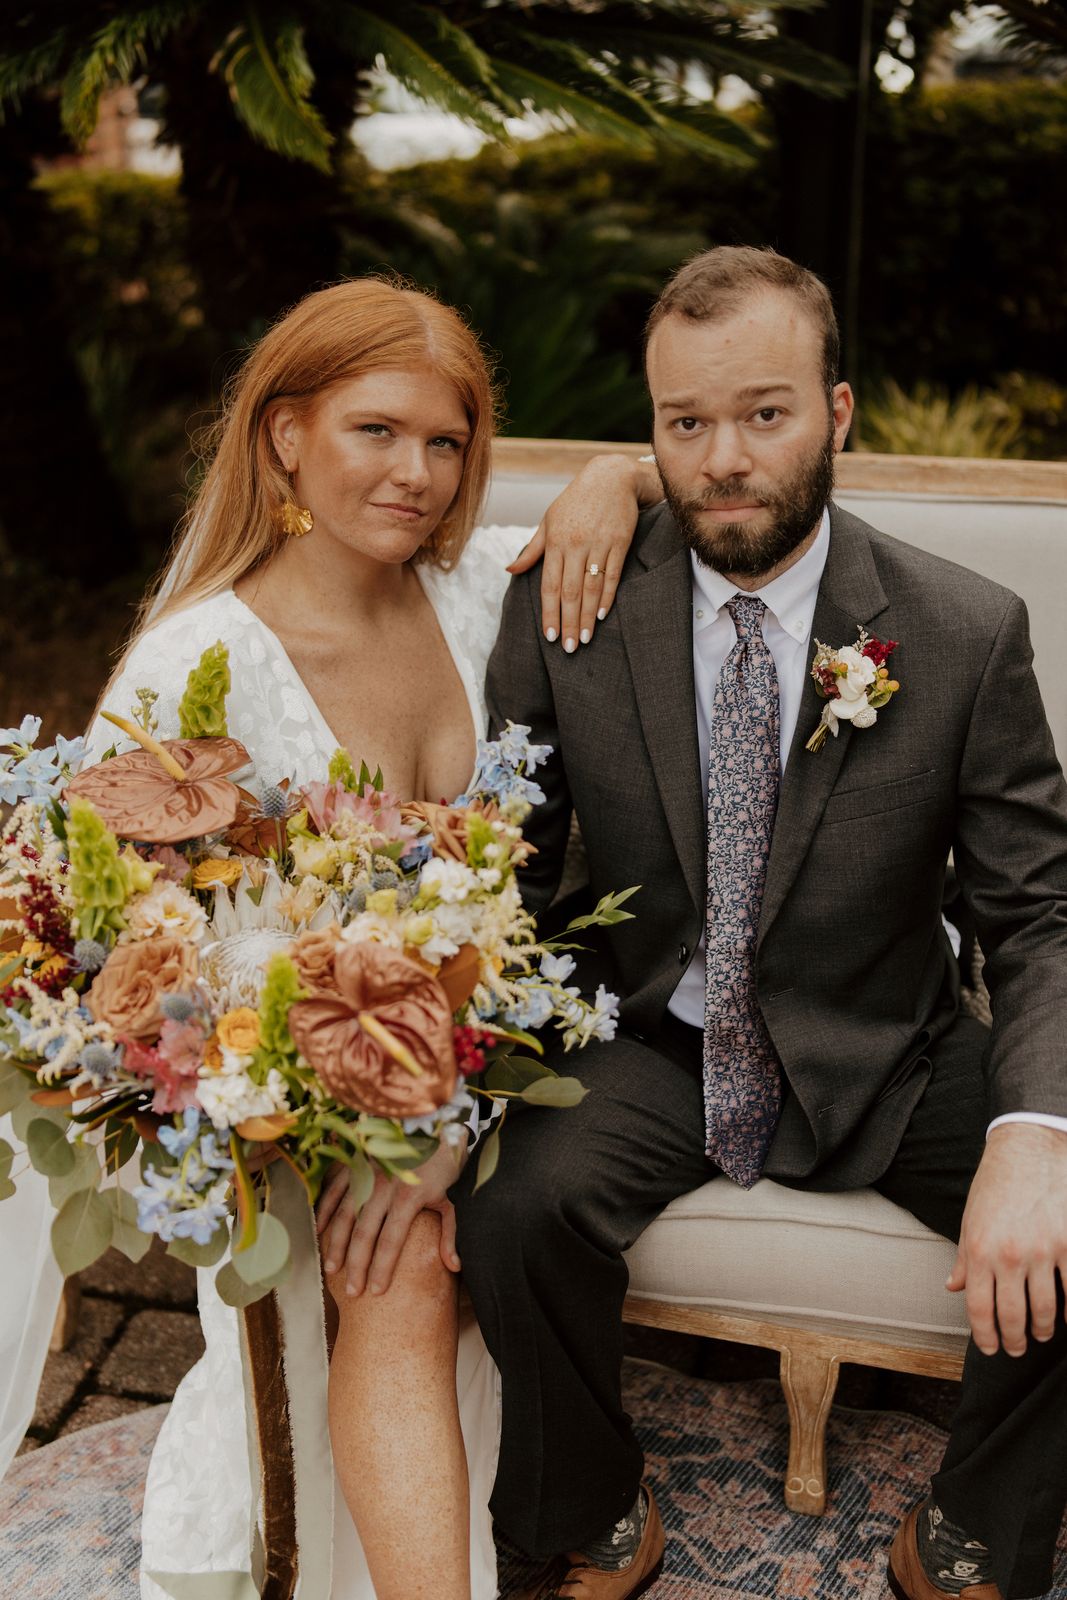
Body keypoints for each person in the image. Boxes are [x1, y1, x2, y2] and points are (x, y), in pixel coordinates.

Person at [0, 277, 640, 1600]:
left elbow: (705, 480)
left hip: (490, 1045)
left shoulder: (479, 592)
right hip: (275, 1090)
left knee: (442, 1212)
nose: (417, 474)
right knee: (395, 1259)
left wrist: (610, 479)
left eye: (447, 441)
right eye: (376, 431)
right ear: (285, 434)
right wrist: (374, 1116)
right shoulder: (195, 664)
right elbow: (131, 959)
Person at [454, 245, 1067, 1600]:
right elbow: (508, 866)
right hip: (650, 1033)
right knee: (510, 1212)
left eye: (765, 413)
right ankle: (582, 1503)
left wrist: (1034, 1137)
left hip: (887, 1042)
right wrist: (438, 1074)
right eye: (685, 423)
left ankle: (975, 1525)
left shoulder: (963, 633)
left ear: (837, 413)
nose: (724, 458)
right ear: (652, 430)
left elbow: (1039, 914)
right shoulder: (568, 608)